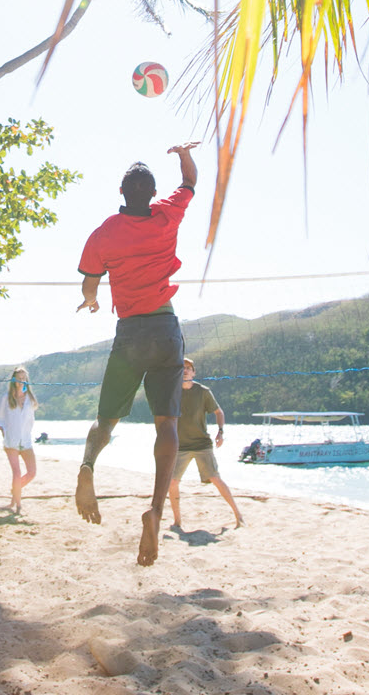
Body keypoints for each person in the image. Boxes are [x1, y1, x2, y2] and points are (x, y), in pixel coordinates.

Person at [75, 141, 200, 566]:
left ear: (122, 194)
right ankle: (156, 510)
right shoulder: (167, 214)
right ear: (151, 194)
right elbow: (189, 183)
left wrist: (91, 301)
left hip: (130, 332)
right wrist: (183, 153)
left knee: (105, 420)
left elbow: (91, 284)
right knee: (167, 425)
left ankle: (88, 467)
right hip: (165, 329)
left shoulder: (104, 232)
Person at [169, 358, 244, 530]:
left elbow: (219, 412)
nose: (185, 370)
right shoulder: (172, 391)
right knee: (172, 482)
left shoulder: (203, 392)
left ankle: (238, 516)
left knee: (215, 478)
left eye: (189, 368)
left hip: (202, 444)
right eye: (182, 368)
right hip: (181, 446)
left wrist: (220, 431)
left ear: (194, 372)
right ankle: (177, 521)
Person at [0, 367, 38, 514]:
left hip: (26, 441)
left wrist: (27, 432)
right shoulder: (6, 398)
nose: (21, 380)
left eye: (24, 378)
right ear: (14, 380)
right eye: (19, 378)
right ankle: (18, 505)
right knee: (16, 473)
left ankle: (15, 491)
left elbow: (31, 420)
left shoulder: (30, 399)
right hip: (11, 441)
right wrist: (2, 429)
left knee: (31, 473)